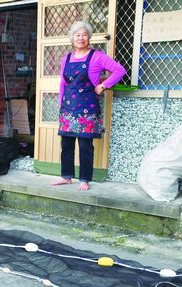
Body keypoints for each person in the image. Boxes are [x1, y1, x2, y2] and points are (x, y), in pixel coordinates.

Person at [50, 21, 126, 191]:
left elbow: (120, 70)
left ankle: (84, 179)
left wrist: (103, 86)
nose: (81, 38)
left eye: (84, 35)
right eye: (77, 35)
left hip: (87, 109)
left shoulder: (97, 56)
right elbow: (63, 83)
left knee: (85, 146)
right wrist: (61, 104)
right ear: (72, 38)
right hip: (68, 109)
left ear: (89, 37)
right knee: (66, 144)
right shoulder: (66, 58)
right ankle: (66, 176)